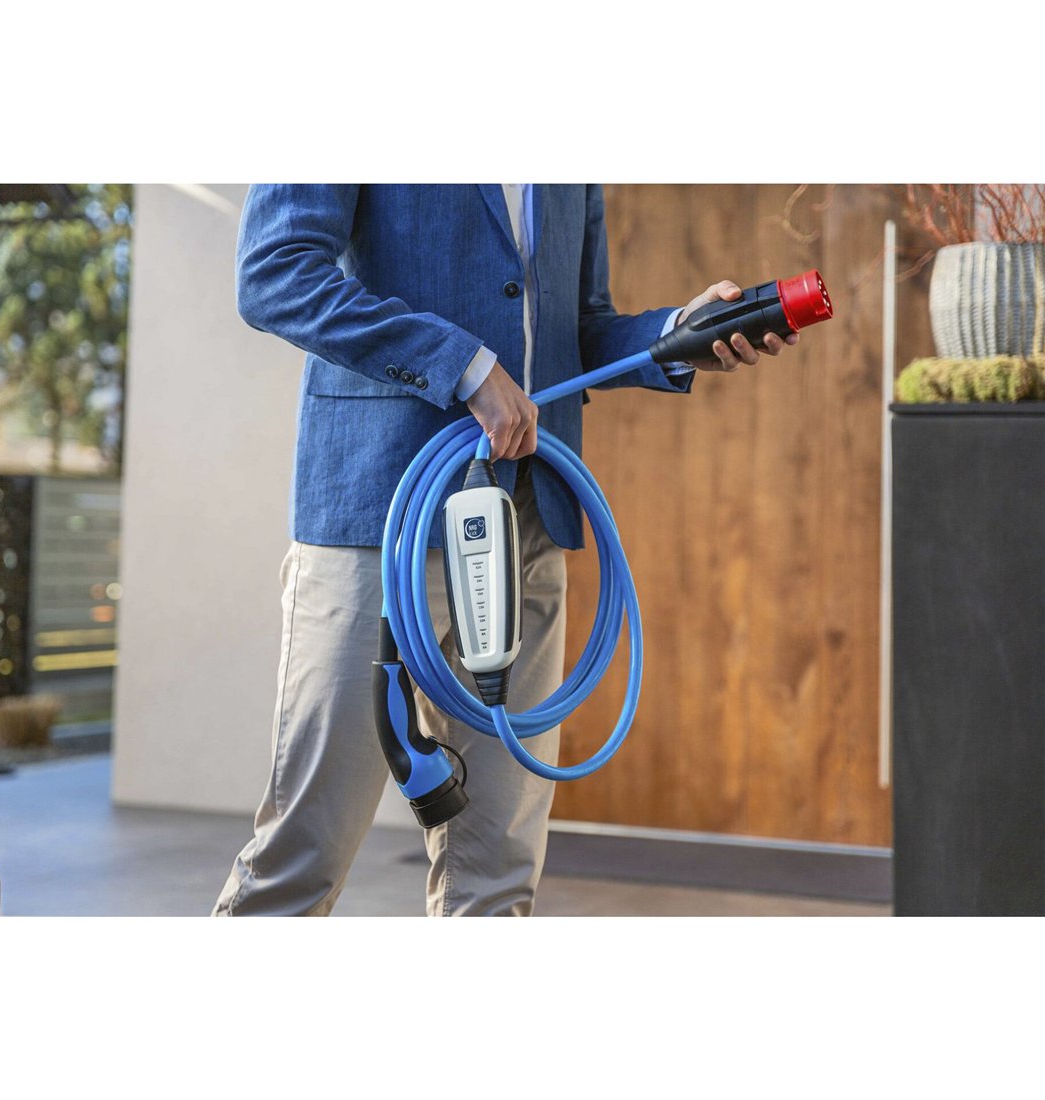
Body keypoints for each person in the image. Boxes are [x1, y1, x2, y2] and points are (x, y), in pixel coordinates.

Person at [211, 184, 797, 917]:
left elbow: (574, 331)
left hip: (527, 521)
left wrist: (680, 332)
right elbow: (275, 273)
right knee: (306, 852)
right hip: (382, 521)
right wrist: (461, 364)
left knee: (498, 873)